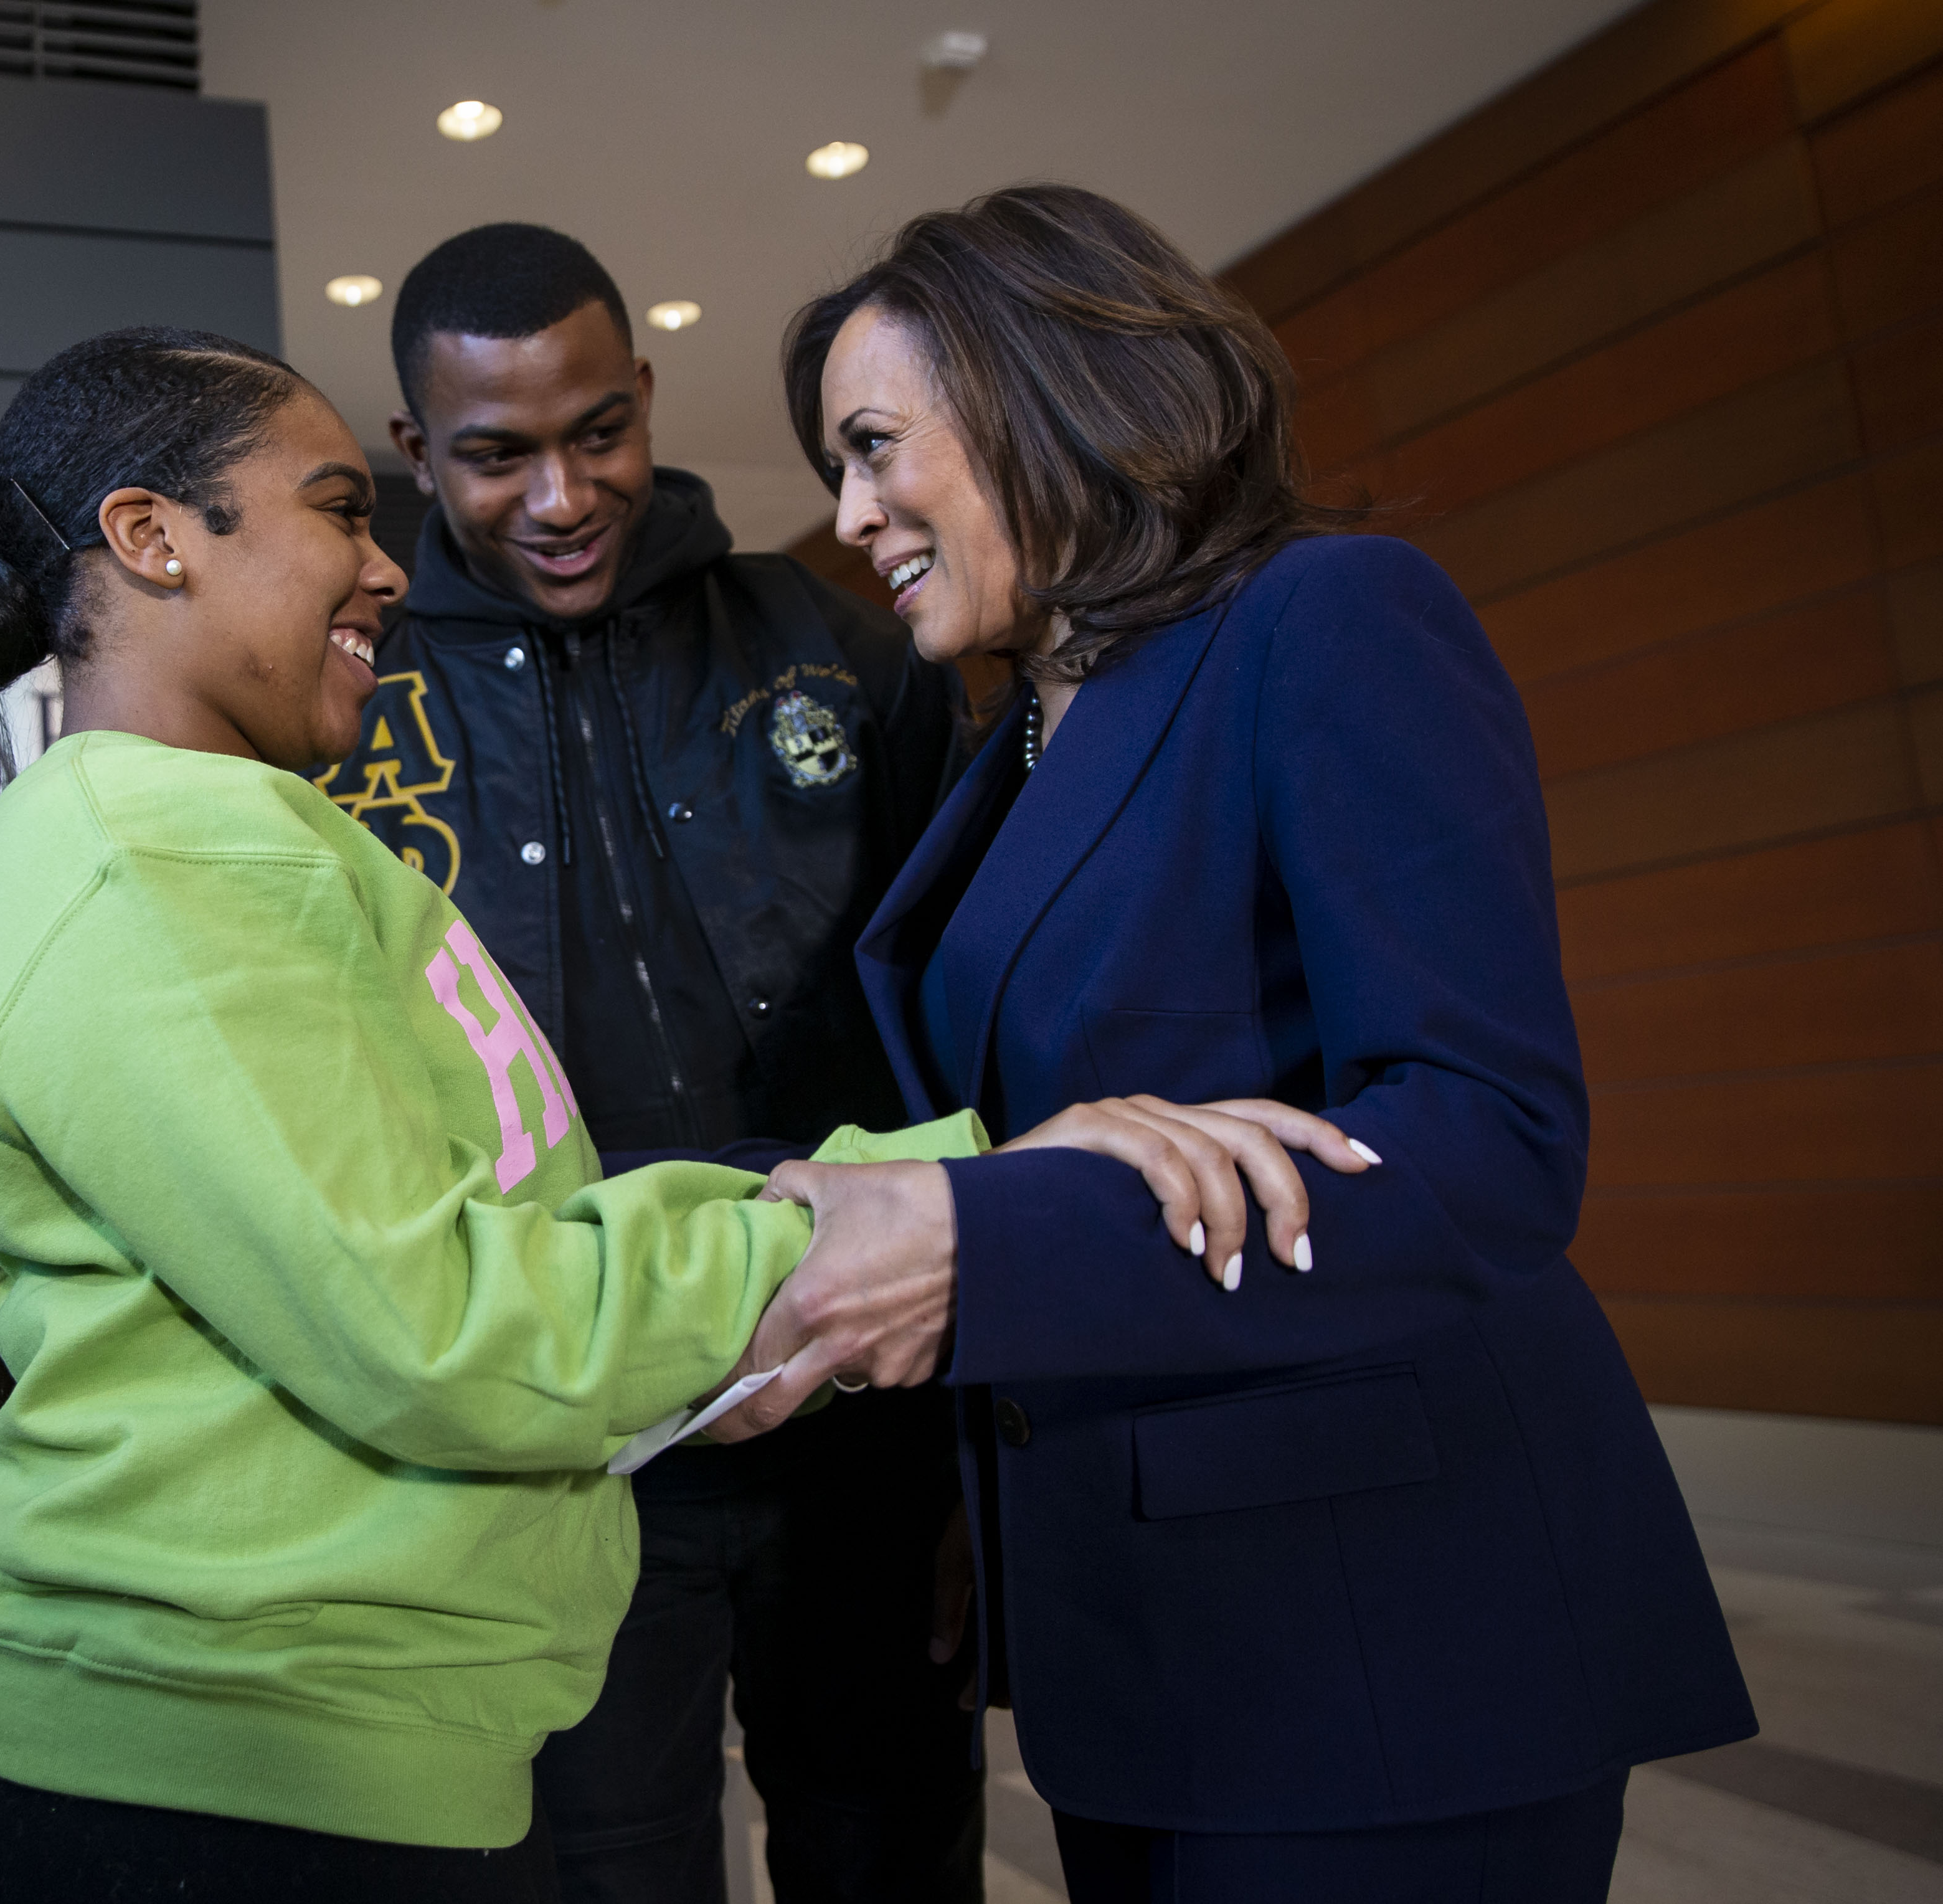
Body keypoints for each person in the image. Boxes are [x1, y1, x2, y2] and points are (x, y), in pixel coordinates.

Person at [0, 325, 1048, 1903]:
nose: (388, 567)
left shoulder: (238, 838)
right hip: (226, 1789)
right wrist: (935, 1220)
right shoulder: (146, 866)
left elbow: (496, 1245)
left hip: (350, 1756)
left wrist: (915, 1189)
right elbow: (441, 1331)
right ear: (152, 538)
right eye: (340, 510)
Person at [723, 186, 1758, 1902]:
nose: (850, 515)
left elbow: (1486, 1139)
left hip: (1388, 1637)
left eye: (876, 447)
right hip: (1141, 1642)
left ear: (1041, 392)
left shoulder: (1325, 618)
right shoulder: (1022, 750)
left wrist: (982, 1242)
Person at [330, 222, 976, 1902]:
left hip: (849, 1388)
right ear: (416, 452)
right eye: (495, 456)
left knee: (891, 1845)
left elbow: (944, 1002)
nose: (559, 496)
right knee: (610, 1869)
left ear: (643, 396)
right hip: (570, 1432)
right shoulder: (350, 704)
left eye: (596, 432)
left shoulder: (824, 637)